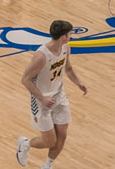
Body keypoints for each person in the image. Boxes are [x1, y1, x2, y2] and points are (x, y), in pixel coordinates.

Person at [15, 19, 86, 169]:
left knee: (62, 136)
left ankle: (47, 165)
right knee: (49, 141)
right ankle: (25, 144)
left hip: (59, 96)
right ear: (63, 37)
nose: (71, 36)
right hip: (41, 100)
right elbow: (25, 80)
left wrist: (78, 83)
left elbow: (69, 69)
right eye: (69, 34)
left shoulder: (66, 48)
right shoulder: (41, 56)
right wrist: (42, 98)